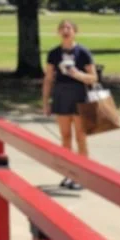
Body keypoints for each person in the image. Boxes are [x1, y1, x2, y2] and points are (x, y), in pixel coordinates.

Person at [42, 19, 98, 191]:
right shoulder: (54, 53)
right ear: (58, 32)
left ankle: (83, 175)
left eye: (69, 28)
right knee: (65, 136)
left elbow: (93, 78)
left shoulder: (83, 52)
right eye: (62, 28)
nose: (65, 30)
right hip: (61, 95)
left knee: (81, 137)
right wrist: (46, 101)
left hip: (79, 95)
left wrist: (77, 74)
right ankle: (68, 173)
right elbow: (49, 78)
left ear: (75, 31)